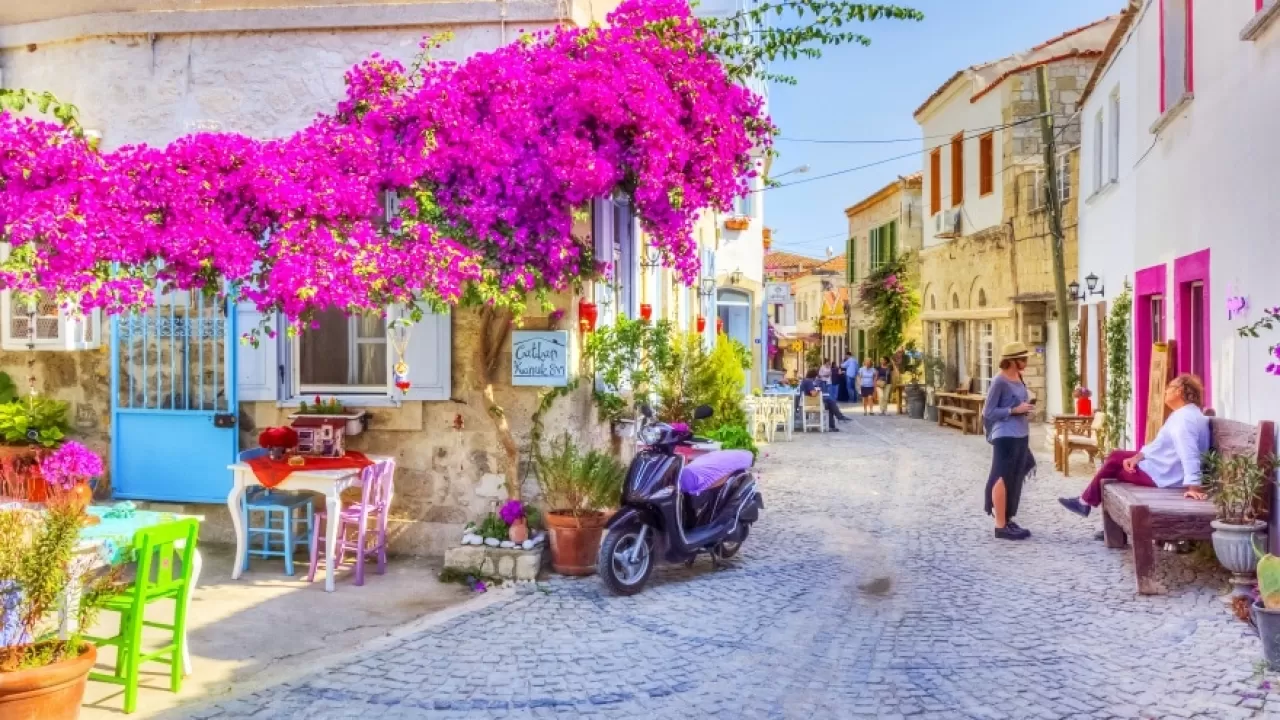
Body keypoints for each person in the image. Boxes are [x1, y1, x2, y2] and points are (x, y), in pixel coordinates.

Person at [1059, 373, 1211, 518]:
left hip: (1166, 477)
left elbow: (1189, 452)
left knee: (1114, 471)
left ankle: (1085, 504)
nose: (1166, 390)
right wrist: (1137, 457)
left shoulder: (1184, 419)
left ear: (1180, 391)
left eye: (1169, 387)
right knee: (1116, 458)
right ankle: (1086, 503)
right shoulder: (1184, 414)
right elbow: (1158, 445)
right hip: (1165, 469)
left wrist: (1193, 486)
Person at [983, 342, 1037, 541]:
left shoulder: (1019, 377)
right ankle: (1000, 526)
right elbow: (988, 412)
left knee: (1015, 477)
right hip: (1005, 435)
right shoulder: (999, 381)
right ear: (1012, 361)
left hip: (1021, 434)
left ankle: (1007, 518)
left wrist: (1026, 408)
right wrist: (1014, 410)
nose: (1026, 361)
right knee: (1001, 477)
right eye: (1023, 359)